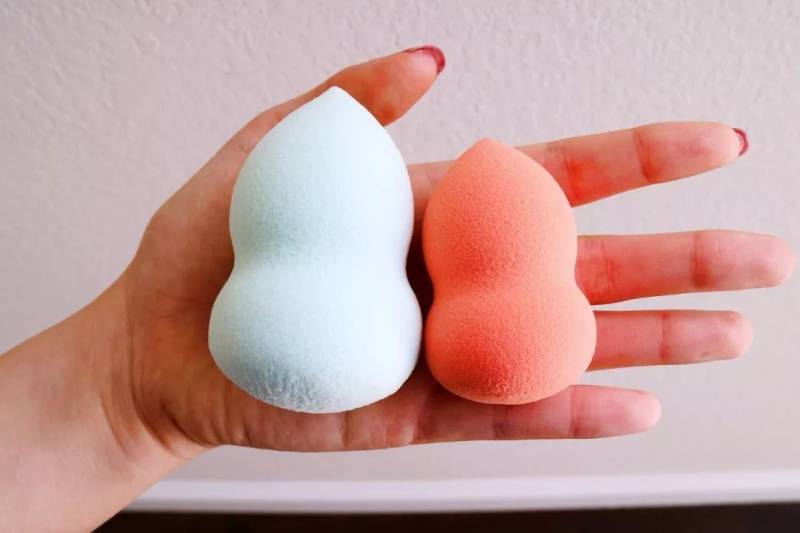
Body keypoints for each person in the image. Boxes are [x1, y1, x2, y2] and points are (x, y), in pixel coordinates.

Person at [0, 46, 793, 532]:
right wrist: (121, 394)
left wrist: (118, 402)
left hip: (309, 337)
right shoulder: (333, 189)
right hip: (295, 334)